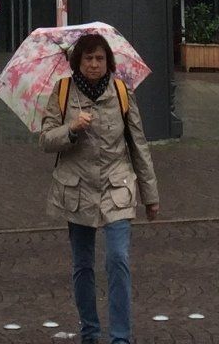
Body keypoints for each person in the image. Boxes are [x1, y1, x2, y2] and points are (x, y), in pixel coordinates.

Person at [38, 33, 160, 344]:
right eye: (88, 58)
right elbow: (46, 140)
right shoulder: (63, 91)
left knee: (118, 259)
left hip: (117, 187)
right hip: (77, 190)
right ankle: (90, 333)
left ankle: (120, 338)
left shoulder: (121, 92)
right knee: (83, 265)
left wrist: (150, 196)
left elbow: (138, 144)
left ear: (108, 62)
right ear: (77, 61)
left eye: (100, 59)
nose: (94, 64)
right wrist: (71, 129)